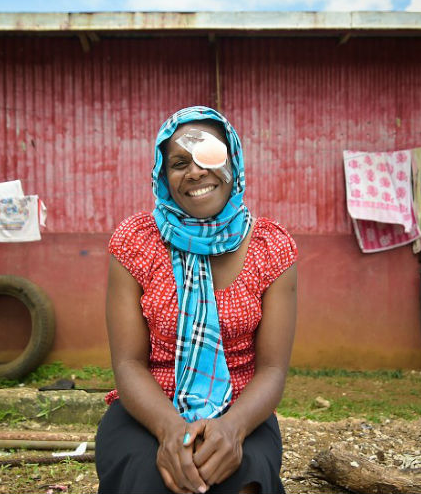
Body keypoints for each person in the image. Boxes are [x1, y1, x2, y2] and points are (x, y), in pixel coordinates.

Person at [95, 106, 298, 494]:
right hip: (148, 409)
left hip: (242, 410)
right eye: (178, 162)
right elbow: (128, 362)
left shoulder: (271, 248)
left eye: (209, 156)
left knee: (244, 480)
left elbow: (272, 370)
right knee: (149, 479)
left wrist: (232, 430)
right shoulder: (136, 241)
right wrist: (172, 431)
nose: (195, 172)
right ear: (162, 175)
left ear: (233, 163)